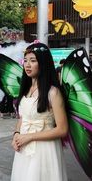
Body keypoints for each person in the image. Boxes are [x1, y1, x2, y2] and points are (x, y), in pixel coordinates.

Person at [11, 43, 68, 181]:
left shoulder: (53, 92)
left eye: (33, 60)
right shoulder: (25, 90)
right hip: (23, 148)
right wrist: (16, 134)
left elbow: (62, 129)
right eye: (25, 60)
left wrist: (30, 137)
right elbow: (22, 118)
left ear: (43, 63)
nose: (27, 65)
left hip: (45, 150)